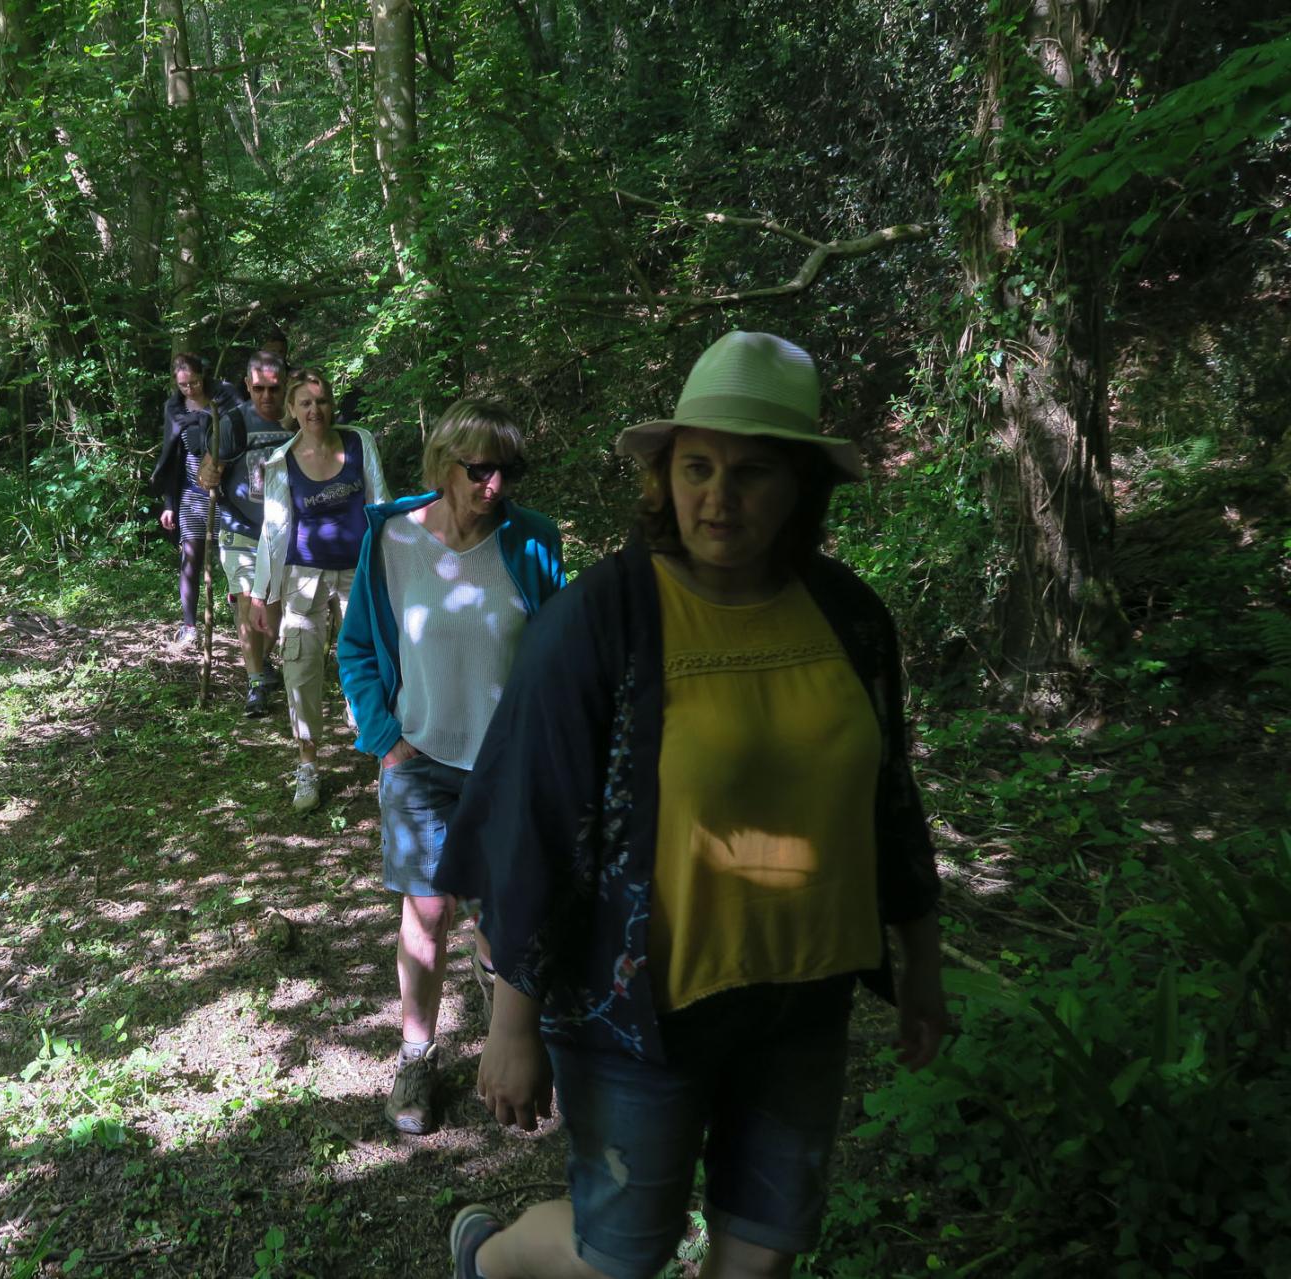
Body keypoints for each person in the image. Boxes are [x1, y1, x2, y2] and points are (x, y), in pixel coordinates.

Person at [436, 332, 949, 1279]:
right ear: (664, 476)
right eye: (698, 467)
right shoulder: (601, 620)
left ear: (802, 486)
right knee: (622, 1257)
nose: (719, 497)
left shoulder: (849, 616)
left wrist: (920, 955)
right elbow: (535, 823)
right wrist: (513, 1021)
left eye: (752, 472)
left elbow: (887, 795)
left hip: (804, 993)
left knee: (761, 1255)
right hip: (644, 1010)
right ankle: (493, 1256)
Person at [338, 400, 566, 1136]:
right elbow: (356, 652)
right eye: (481, 470)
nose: (497, 485)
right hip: (422, 759)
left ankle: (511, 1042)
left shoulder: (531, 543)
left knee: (507, 917)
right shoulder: (392, 540)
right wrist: (388, 741)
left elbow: (556, 654)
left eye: (509, 470)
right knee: (427, 912)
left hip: (508, 770)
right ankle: (417, 1053)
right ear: (444, 465)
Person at [250, 368, 390, 811]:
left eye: (322, 401)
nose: (315, 410)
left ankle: (382, 749)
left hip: (358, 574)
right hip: (303, 577)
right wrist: (261, 593)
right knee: (301, 668)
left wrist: (393, 568)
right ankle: (307, 762)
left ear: (333, 404)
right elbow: (272, 532)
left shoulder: (358, 442)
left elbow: (381, 505)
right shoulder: (281, 462)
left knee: (370, 661)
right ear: (291, 410)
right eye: (305, 403)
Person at [200, 350, 292, 715]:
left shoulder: (298, 421)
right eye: (259, 389)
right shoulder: (233, 423)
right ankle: (255, 682)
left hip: (284, 532)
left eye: (274, 388)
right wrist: (208, 476)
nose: (266, 397)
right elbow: (207, 471)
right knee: (246, 599)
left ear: (286, 385)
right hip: (240, 529)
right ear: (247, 386)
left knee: (272, 612)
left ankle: (263, 660)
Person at [149, 354, 242, 647]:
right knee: (190, 559)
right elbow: (171, 455)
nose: (190, 389)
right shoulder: (174, 407)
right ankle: (189, 625)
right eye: (183, 385)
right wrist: (168, 503)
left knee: (234, 562)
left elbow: (242, 440)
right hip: (191, 494)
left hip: (227, 497)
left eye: (195, 382)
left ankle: (242, 617)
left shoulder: (226, 399)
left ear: (204, 375)